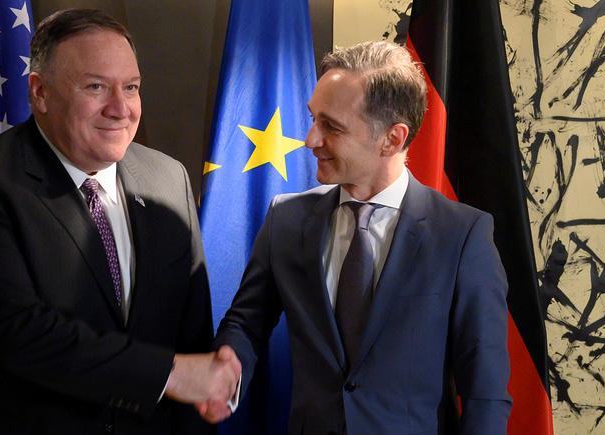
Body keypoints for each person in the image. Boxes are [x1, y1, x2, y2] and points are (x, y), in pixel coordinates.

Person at [0, 9, 239, 435]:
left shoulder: (168, 180)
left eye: (131, 87)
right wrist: (168, 375)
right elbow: (17, 333)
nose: (120, 109)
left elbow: (190, 336)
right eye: (96, 87)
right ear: (40, 93)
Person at [209, 41, 512, 434]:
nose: (310, 139)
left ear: (393, 139)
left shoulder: (462, 236)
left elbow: (484, 392)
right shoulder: (286, 219)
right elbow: (246, 323)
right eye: (313, 118)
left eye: (331, 126)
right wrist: (227, 364)